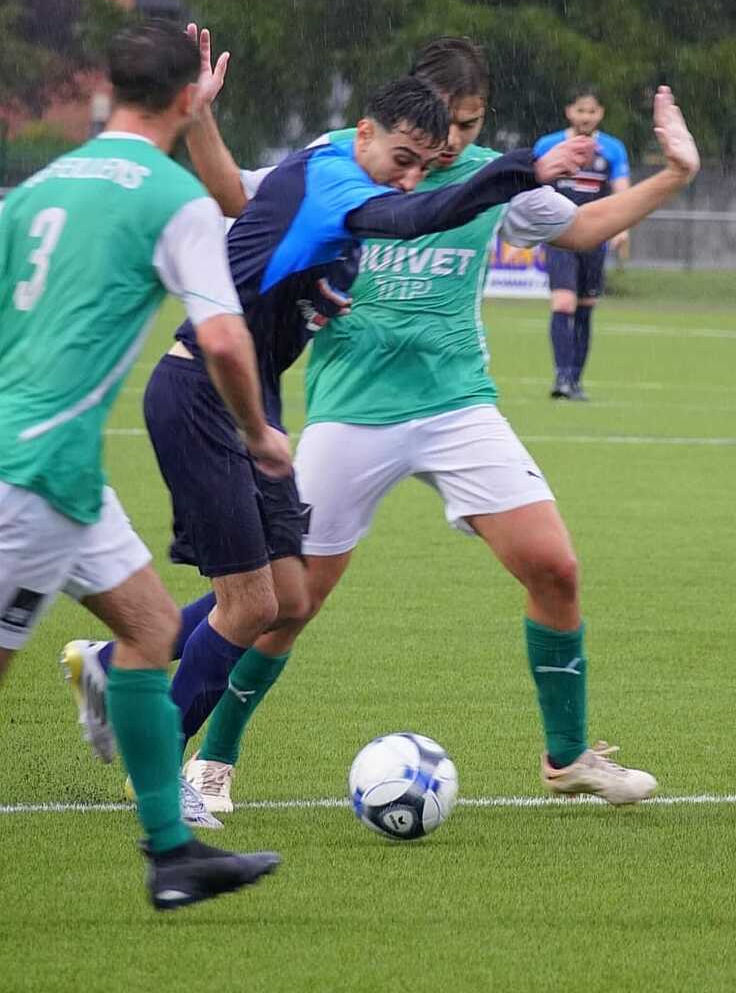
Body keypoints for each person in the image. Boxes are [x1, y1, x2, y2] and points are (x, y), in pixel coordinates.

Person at [176, 41, 700, 814]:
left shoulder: (493, 178)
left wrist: (676, 173)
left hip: (458, 405)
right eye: (444, 123)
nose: (451, 141)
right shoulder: (341, 159)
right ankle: (212, 760)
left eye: (470, 123)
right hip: (350, 411)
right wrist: (200, 117)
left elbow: (585, 228)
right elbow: (237, 194)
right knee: (292, 601)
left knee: (555, 568)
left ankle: (568, 760)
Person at [62, 36, 594, 794]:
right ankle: (162, 773)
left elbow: (239, 200)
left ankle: (115, 670)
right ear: (364, 132)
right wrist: (523, 170)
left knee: (289, 596)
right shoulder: (338, 181)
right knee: (252, 604)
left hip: (251, 399)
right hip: (206, 396)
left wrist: (202, 118)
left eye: (423, 164)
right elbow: (415, 217)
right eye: (402, 159)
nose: (410, 177)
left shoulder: (330, 183)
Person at [0, 20, 288, 910]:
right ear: (186, 98)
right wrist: (258, 433)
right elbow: (225, 339)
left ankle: (173, 854)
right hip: (31, 474)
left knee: (153, 628)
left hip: (65, 476)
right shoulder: (173, 198)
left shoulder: (39, 187)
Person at [534, 85, 631, 400]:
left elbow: (622, 191)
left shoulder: (612, 149)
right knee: (563, 303)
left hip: (595, 237)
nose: (586, 117)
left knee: (586, 307)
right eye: (580, 110)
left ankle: (575, 380)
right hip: (560, 236)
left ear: (600, 113)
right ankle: (562, 378)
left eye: (591, 111)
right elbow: (532, 187)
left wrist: (622, 227)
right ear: (569, 112)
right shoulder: (548, 145)